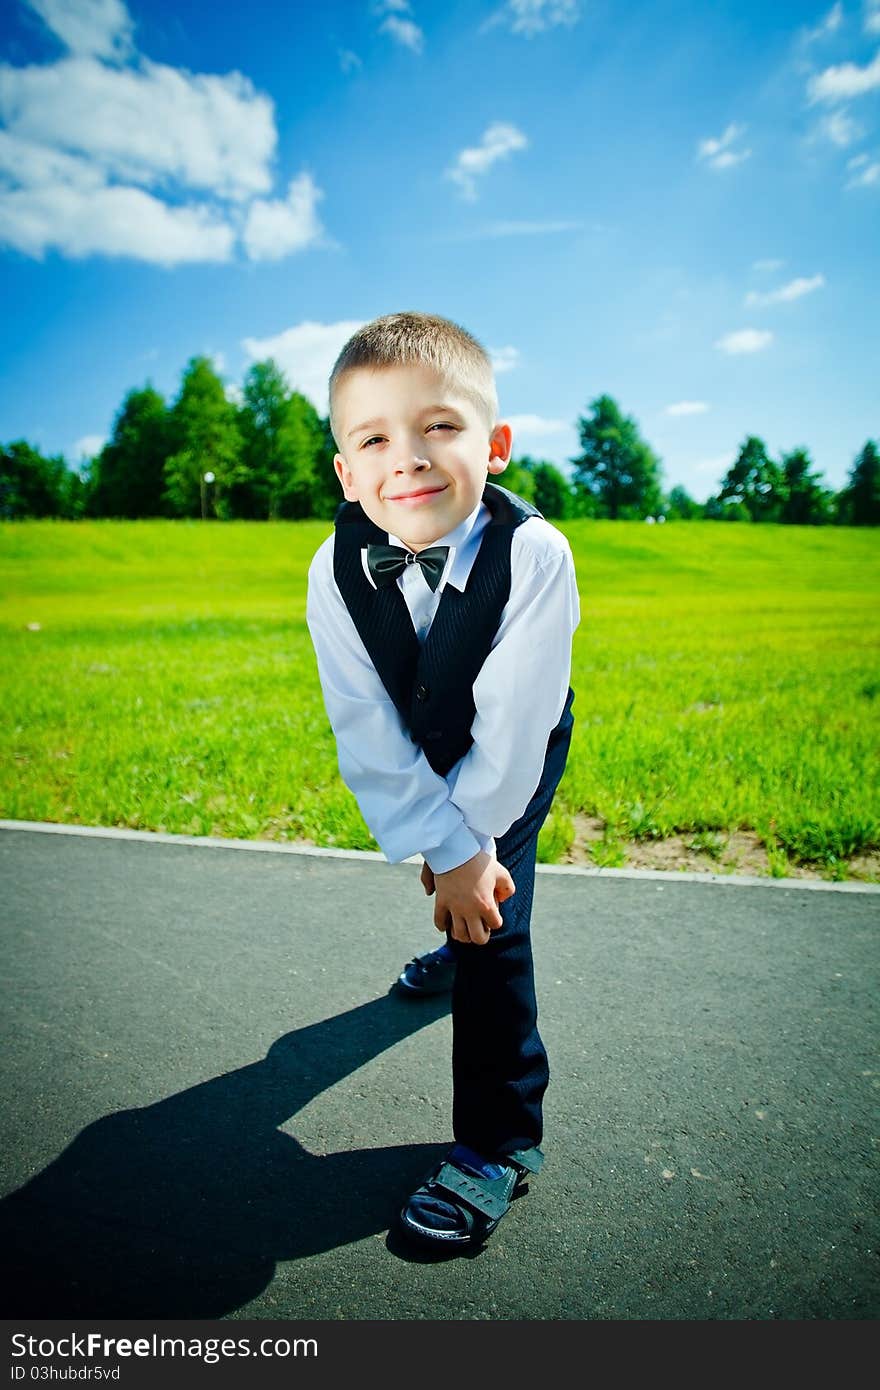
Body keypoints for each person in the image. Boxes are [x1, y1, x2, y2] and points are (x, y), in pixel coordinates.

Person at [306, 311, 579, 1251]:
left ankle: (498, 1144)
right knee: (453, 869)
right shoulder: (332, 566)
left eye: (439, 428)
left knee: (493, 920)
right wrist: (438, 842)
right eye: (374, 437)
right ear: (346, 471)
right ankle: (451, 940)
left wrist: (472, 856)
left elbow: (512, 733)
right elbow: (364, 728)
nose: (407, 458)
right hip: (412, 733)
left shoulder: (535, 554)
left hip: (516, 744)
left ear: (495, 445)